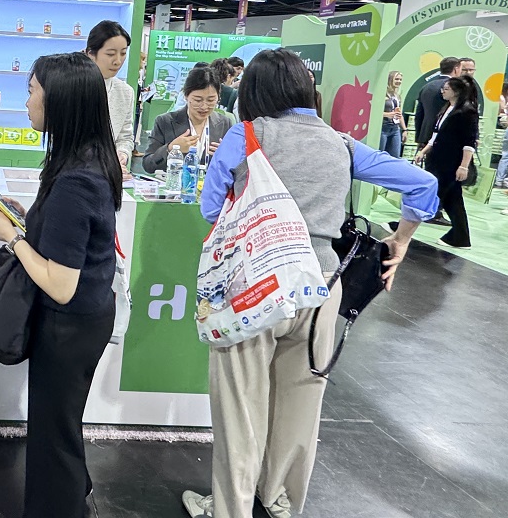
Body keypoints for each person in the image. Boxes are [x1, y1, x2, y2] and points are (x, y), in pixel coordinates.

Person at [182, 49, 438, 518]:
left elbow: (211, 208)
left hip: (253, 287)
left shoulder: (247, 134)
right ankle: (278, 500)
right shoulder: (342, 144)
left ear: (254, 92)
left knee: (241, 408)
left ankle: (230, 509)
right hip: (322, 286)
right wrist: (400, 240)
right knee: (300, 404)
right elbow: (422, 184)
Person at [0, 52, 121, 518]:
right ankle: (73, 492)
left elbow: (60, 285)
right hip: (87, 316)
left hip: (69, 323)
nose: (26, 103)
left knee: (52, 436)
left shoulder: (74, 180)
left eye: (32, 92)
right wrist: (31, 224)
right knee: (62, 424)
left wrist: (13, 239)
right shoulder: (87, 160)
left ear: (58, 102)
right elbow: (72, 243)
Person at [414, 76, 479, 248]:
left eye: (446, 89)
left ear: (456, 91)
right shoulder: (447, 108)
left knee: (435, 195)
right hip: (437, 159)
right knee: (452, 199)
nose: (442, 91)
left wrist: (463, 166)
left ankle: (403, 225)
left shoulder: (467, 112)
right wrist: (423, 151)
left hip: (450, 163)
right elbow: (436, 135)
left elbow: (469, 142)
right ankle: (460, 236)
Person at [144, 67, 233, 174]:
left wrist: (227, 157)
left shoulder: (225, 123)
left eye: (211, 100)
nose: (204, 106)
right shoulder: (165, 122)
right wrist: (170, 149)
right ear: (186, 96)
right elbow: (148, 165)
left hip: (211, 184)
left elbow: (236, 166)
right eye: (197, 100)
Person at [413, 56, 461, 226]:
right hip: (444, 140)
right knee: (441, 177)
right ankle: (434, 211)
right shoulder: (453, 88)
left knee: (429, 175)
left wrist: (420, 138)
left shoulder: (426, 86)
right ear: (456, 69)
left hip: (426, 137)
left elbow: (419, 114)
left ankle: (426, 208)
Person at [84, 20, 135, 171]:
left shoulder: (125, 92)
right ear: (91, 53)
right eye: (110, 54)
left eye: (123, 53)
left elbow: (125, 137)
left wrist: (122, 155)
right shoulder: (72, 86)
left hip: (108, 173)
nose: (118, 61)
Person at [379, 70, 407, 158]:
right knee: (380, 154)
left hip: (395, 129)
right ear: (390, 79)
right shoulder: (382, 94)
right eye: (396, 79)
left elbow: (399, 114)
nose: (399, 81)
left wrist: (404, 129)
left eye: (400, 79)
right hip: (383, 128)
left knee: (395, 156)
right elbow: (374, 112)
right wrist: (386, 114)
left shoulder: (397, 96)